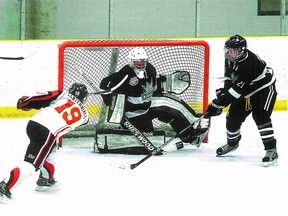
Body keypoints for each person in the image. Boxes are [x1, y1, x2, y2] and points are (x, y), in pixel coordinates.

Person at [99, 47, 210, 154]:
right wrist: (111, 102)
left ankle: (190, 133)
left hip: (146, 108)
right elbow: (105, 85)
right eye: (138, 63)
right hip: (132, 115)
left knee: (169, 103)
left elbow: (152, 87)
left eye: (143, 62)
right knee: (149, 134)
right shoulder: (125, 74)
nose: (141, 65)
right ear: (131, 62)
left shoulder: (150, 69)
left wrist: (164, 82)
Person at [0, 83, 89, 202]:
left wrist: (25, 103)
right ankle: (4, 187)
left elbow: (41, 99)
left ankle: (45, 181)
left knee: (53, 150)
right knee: (31, 165)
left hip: (34, 124)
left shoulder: (62, 94)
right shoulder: (85, 117)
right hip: (47, 132)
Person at [206, 34, 278, 166]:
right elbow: (229, 78)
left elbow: (237, 92)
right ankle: (232, 144)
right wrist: (223, 96)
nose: (229, 53)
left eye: (233, 50)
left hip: (263, 90)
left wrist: (219, 103)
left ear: (241, 50)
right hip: (246, 89)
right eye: (228, 50)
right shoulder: (229, 58)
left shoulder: (249, 63)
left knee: (261, 117)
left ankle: (271, 150)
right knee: (233, 118)